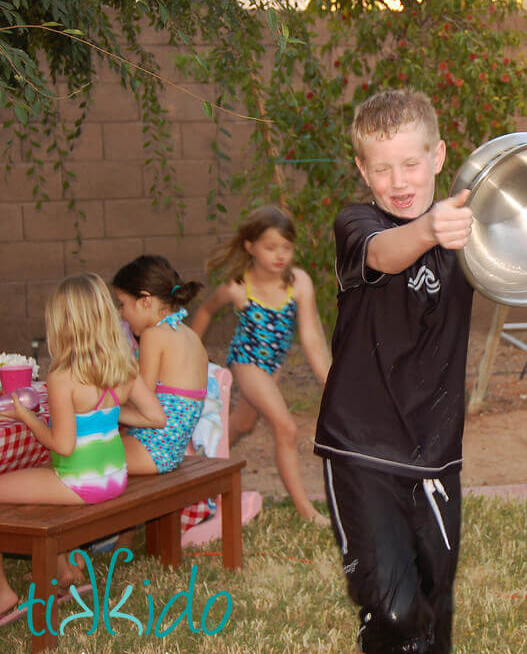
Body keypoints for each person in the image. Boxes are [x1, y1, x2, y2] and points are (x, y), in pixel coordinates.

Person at [314, 88, 527, 654]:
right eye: (383, 168)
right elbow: (387, 254)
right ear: (362, 171)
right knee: (392, 606)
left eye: (411, 163)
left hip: (437, 451)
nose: (399, 180)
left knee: (436, 604)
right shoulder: (358, 225)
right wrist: (430, 229)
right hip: (361, 449)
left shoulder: (473, 230)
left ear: (438, 157)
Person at [0, 273, 165, 623]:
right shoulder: (123, 366)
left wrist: (24, 416)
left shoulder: (63, 376)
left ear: (63, 322)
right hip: (113, 478)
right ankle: (66, 568)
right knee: (40, 473)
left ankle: (3, 593)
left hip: (80, 485)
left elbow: (62, 443)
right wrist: (110, 413)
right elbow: (156, 417)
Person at [192, 205, 332, 524]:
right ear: (250, 247)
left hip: (273, 366)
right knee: (286, 428)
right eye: (271, 247)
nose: (280, 255)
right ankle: (306, 511)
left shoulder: (299, 283)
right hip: (246, 362)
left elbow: (312, 338)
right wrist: (190, 353)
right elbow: (205, 312)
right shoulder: (238, 287)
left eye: (286, 247)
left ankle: (197, 471)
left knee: (242, 424)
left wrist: (330, 383)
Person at [112, 255, 209, 476]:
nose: (121, 313)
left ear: (145, 300)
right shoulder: (190, 335)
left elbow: (141, 400)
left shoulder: (153, 335)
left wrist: (103, 404)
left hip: (150, 449)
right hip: (170, 453)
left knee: (74, 457)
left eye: (122, 303)